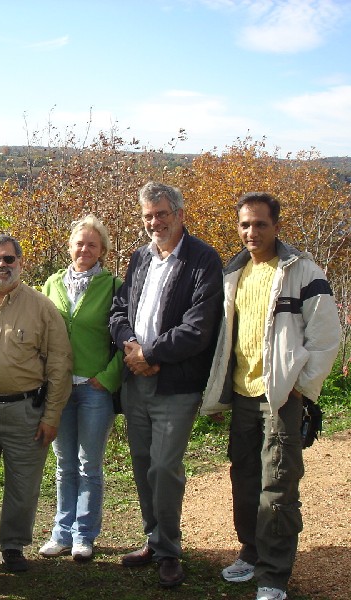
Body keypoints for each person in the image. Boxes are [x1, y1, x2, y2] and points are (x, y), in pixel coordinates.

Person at [201, 192, 341, 600]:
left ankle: (274, 575)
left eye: (260, 224)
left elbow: (326, 336)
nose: (251, 232)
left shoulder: (301, 271)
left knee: (278, 483)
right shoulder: (236, 271)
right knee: (243, 476)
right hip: (244, 394)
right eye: (245, 224)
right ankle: (250, 551)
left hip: (280, 397)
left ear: (277, 225)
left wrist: (301, 385)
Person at [109, 181, 223, 587]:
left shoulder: (203, 260)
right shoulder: (139, 258)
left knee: (164, 467)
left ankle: (170, 551)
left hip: (175, 384)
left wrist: (150, 355)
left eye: (161, 214)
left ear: (179, 215)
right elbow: (119, 310)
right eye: (147, 216)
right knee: (142, 465)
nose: (154, 222)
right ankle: (154, 540)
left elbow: (199, 328)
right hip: (135, 382)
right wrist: (130, 345)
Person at [0, 234, 72, 577]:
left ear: (21, 263)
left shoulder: (41, 307)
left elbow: (59, 365)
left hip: (26, 411)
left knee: (23, 483)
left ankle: (14, 546)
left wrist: (52, 416)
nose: (1, 265)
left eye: (8, 259)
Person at [37, 215, 123, 562]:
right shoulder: (52, 283)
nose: (84, 249)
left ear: (102, 249)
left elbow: (125, 337)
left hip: (93, 389)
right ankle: (61, 532)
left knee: (89, 466)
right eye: (79, 243)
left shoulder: (114, 286)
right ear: (69, 246)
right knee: (63, 465)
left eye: (92, 244)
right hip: (59, 390)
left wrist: (107, 378)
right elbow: (41, 332)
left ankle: (84, 535)